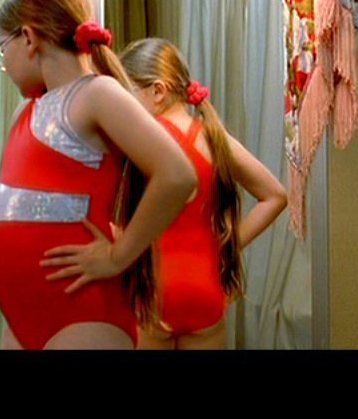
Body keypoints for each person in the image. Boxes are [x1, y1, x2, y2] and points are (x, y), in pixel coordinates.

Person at [0, 0, 197, 350]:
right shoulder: (27, 110)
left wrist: (119, 255)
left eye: (3, 50)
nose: (4, 63)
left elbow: (178, 175)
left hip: (83, 312)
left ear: (29, 38)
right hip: (20, 319)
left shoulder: (96, 94)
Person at [119, 38, 288, 350]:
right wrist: (228, 245)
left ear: (158, 91)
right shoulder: (214, 138)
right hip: (206, 290)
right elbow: (275, 196)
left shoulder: (143, 141)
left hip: (155, 292)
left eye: (127, 96)